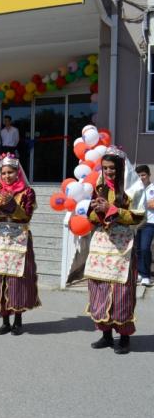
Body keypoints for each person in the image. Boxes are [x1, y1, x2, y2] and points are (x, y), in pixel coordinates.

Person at [84, 147, 144, 354]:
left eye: (112, 168)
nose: (108, 172)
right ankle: (106, 335)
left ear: (121, 168)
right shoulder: (99, 187)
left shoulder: (133, 189)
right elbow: (90, 217)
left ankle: (124, 337)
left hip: (122, 246)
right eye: (105, 168)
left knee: (121, 293)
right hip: (101, 244)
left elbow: (138, 216)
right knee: (99, 289)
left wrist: (112, 210)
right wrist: (97, 212)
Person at [0, 152, 40, 335]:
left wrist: (9, 204)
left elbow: (26, 215)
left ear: (18, 172)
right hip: (0, 240)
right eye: (4, 173)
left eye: (10, 172)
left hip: (19, 239)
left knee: (17, 280)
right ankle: (5, 320)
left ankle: (18, 320)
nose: (7, 176)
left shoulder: (27, 192)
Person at [135, 165, 154, 286]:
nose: (141, 178)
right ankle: (141, 273)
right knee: (139, 249)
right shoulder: (135, 189)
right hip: (137, 222)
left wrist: (147, 203)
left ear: (148, 175)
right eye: (139, 176)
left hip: (150, 222)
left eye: (143, 175)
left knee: (145, 247)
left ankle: (146, 275)